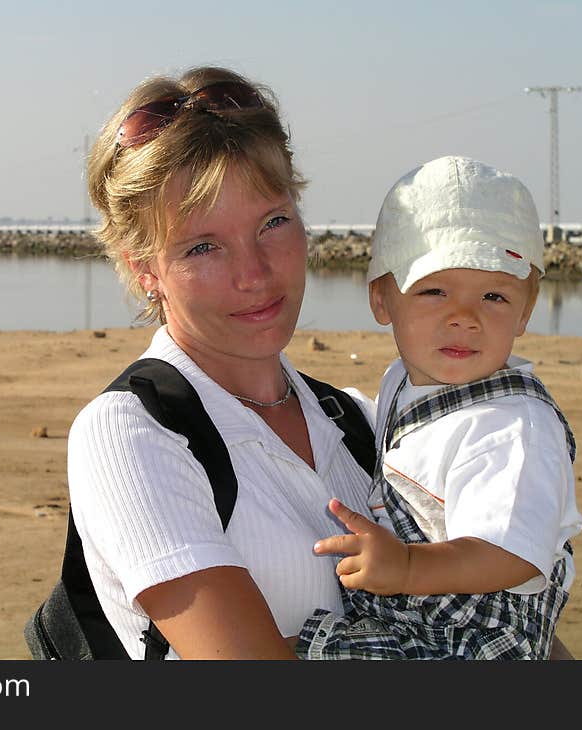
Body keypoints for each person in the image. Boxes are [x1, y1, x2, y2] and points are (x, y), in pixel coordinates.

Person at [66, 65, 376, 659]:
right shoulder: (132, 434)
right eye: (203, 246)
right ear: (143, 269)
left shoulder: (361, 422)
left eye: (273, 222)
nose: (254, 274)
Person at [295, 155, 582, 659]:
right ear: (382, 299)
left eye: (494, 295)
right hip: (422, 616)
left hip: (478, 643)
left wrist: (407, 567)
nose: (464, 318)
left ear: (528, 306)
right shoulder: (403, 382)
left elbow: (511, 553)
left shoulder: (513, 427)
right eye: (434, 291)